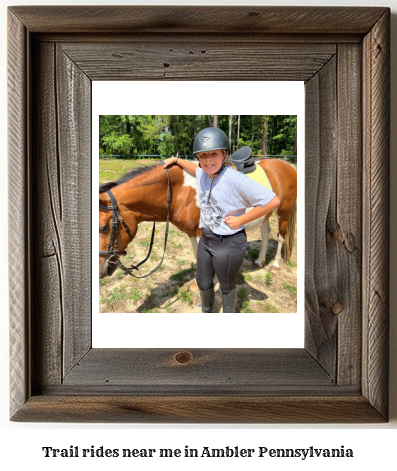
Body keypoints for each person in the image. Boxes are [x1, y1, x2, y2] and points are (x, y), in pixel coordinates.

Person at [163, 127, 280, 313]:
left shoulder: (236, 179)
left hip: (229, 243)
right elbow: (193, 168)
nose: (208, 160)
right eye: (203, 155)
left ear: (224, 155)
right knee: (202, 282)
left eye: (214, 154)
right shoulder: (202, 173)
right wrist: (176, 160)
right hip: (206, 239)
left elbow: (273, 200)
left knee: (226, 286)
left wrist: (242, 219)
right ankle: (207, 312)